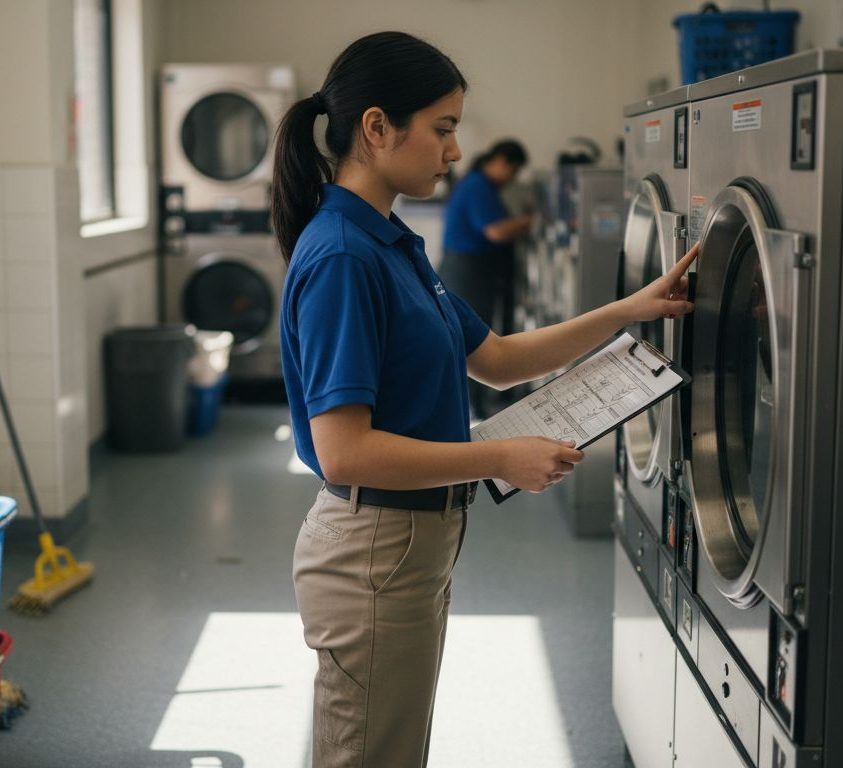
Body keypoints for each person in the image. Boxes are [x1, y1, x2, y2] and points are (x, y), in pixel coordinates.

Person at [272, 31, 696, 768]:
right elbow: (345, 450)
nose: (455, 151)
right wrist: (500, 456)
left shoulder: (390, 241)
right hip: (376, 546)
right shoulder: (343, 254)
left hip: (411, 541)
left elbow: (496, 360)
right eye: (441, 128)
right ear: (377, 129)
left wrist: (629, 310)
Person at [438, 139, 533, 416]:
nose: (512, 179)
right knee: (475, 340)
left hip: (470, 268)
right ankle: (475, 408)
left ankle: (477, 405)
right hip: (467, 271)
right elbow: (496, 231)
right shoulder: (477, 185)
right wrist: (530, 221)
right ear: (502, 161)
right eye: (513, 171)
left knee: (475, 336)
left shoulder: (479, 183)